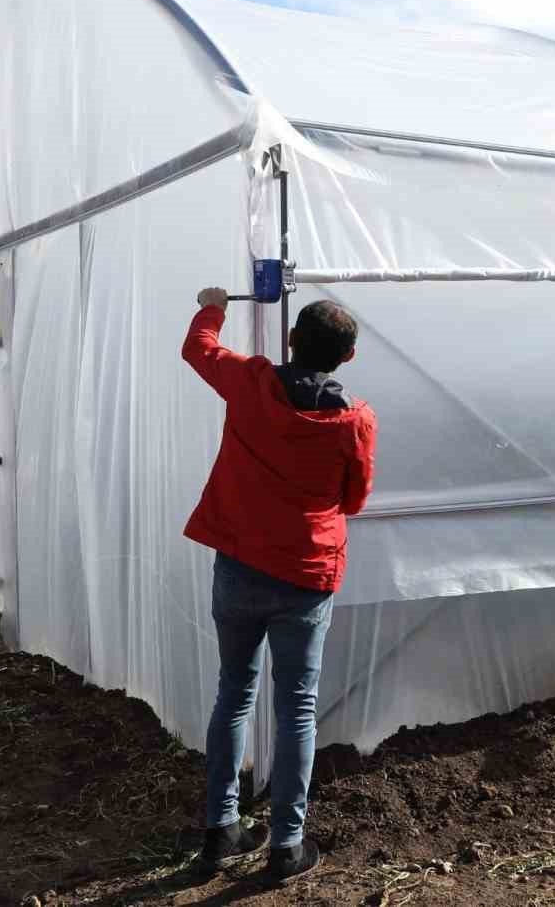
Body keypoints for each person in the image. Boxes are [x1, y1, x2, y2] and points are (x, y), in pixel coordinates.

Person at [181, 288, 377, 882]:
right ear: (346, 359)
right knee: (297, 708)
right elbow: (355, 500)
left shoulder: (250, 382)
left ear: (291, 341)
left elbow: (198, 348)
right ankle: (286, 846)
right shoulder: (354, 422)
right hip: (305, 576)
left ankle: (222, 829)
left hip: (239, 569)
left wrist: (214, 305)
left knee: (234, 692)